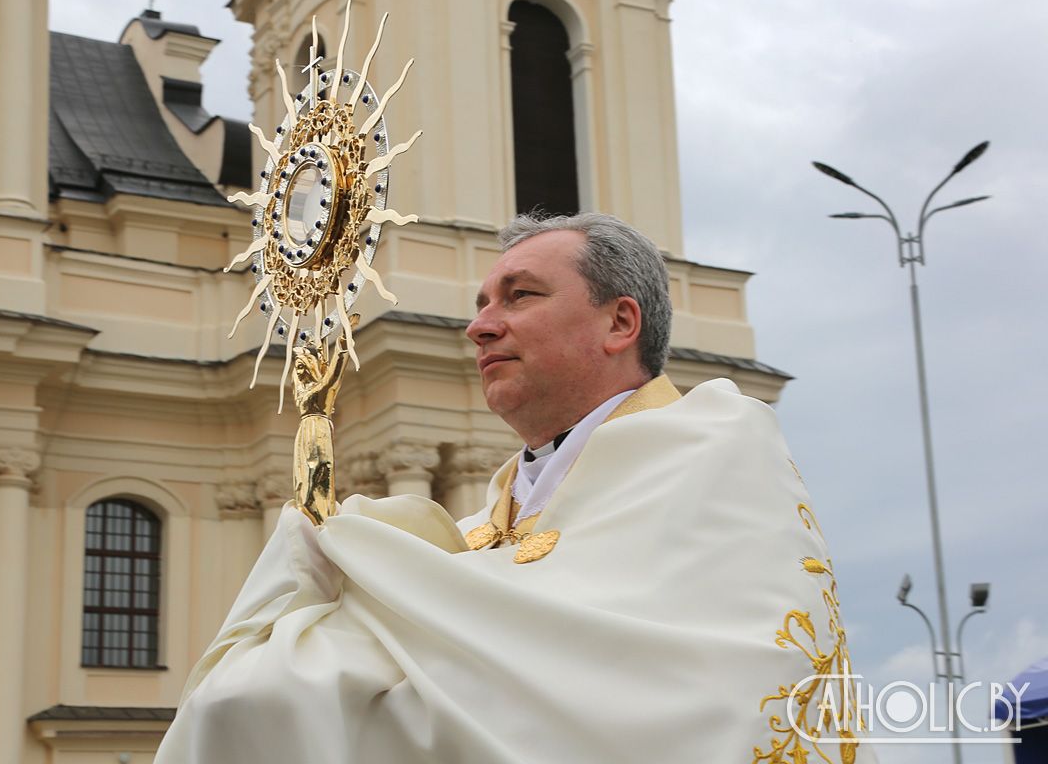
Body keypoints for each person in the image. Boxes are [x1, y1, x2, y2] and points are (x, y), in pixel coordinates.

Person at [154, 213, 870, 764]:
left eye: (519, 296)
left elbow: (688, 692)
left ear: (620, 322)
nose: (478, 326)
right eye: (480, 302)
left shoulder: (715, 455)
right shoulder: (489, 518)